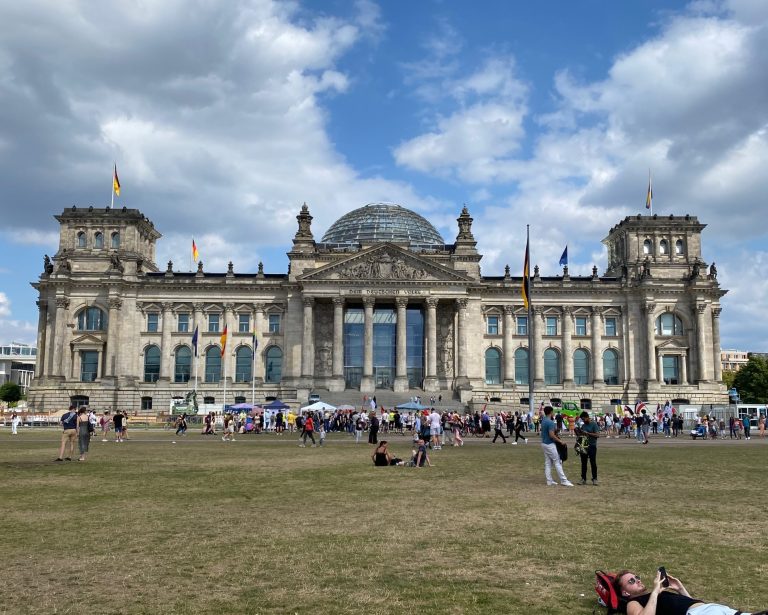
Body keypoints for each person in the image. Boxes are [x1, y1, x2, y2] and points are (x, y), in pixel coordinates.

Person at [614, 568, 766, 615]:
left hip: (711, 609)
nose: (638, 580)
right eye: (631, 581)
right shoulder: (633, 602)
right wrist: (655, 592)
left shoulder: (655, 595)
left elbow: (691, 604)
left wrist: (680, 589)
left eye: (637, 577)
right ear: (625, 593)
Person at [540, 406, 573, 487]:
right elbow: (551, 435)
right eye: (553, 411)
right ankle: (563, 480)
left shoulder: (544, 420)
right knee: (557, 462)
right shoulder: (550, 422)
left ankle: (549, 481)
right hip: (549, 444)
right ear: (551, 412)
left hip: (544, 443)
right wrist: (560, 441)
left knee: (548, 463)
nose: (553, 413)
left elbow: (548, 432)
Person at [575, 411, 601, 485]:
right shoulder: (583, 425)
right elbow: (581, 435)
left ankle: (595, 478)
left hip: (592, 446)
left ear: (587, 417)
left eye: (584, 419)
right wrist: (578, 433)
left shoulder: (594, 424)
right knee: (583, 463)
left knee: (593, 463)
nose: (583, 421)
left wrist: (588, 433)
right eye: (582, 419)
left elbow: (597, 435)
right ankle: (583, 478)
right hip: (584, 446)